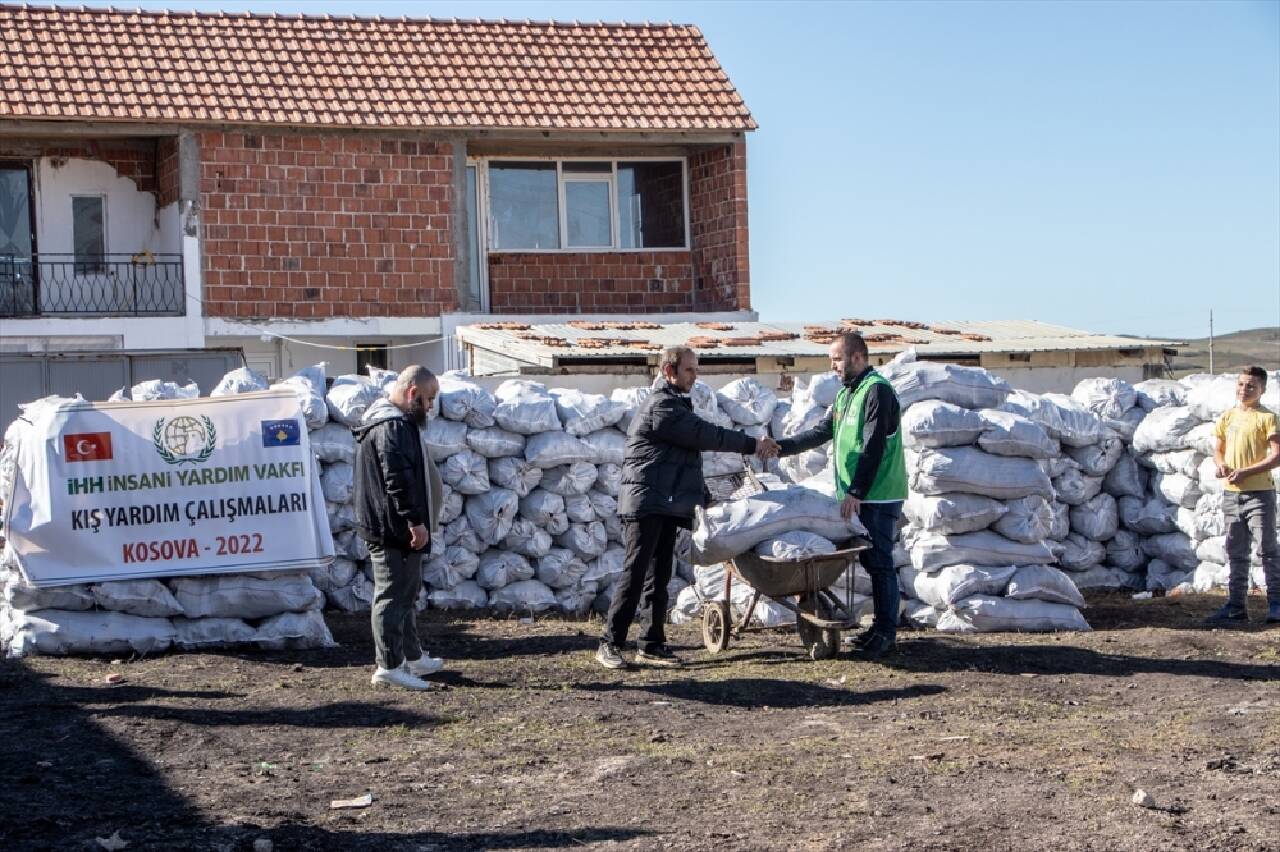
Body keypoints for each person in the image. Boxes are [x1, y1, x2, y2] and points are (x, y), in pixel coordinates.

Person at [598, 346, 778, 670]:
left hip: (664, 502)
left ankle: (651, 644)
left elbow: (682, 462)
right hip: (647, 502)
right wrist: (752, 444)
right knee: (636, 571)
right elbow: (704, 435)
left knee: (659, 575)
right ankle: (611, 643)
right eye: (689, 371)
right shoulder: (663, 406)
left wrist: (703, 494)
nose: (695, 377)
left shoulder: (677, 404)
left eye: (696, 370)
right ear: (670, 372)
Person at [775, 331, 907, 660]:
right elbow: (822, 431)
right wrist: (781, 447)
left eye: (837, 359)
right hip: (858, 495)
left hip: (876, 495)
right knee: (870, 561)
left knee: (880, 563)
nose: (833, 366)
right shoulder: (848, 394)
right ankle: (877, 629)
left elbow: (873, 444)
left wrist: (857, 491)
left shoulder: (877, 391)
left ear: (857, 358)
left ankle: (886, 633)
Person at [353, 365, 447, 690]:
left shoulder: (396, 423)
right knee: (392, 594)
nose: (430, 407)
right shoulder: (391, 426)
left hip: (396, 525)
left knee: (407, 593)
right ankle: (390, 665)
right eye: (428, 399)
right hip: (393, 527)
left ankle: (412, 655)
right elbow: (397, 478)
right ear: (411, 394)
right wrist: (414, 520)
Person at [1205, 366, 1279, 625]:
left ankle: (1276, 604)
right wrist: (1221, 465)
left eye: (1251, 386)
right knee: (1236, 551)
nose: (1244, 390)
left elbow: (1276, 456)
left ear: (1262, 389)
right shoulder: (1228, 417)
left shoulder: (1268, 418)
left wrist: (1246, 471)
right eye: (1241, 384)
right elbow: (1218, 449)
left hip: (1260, 494)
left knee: (1267, 550)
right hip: (1231, 495)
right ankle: (1236, 605)